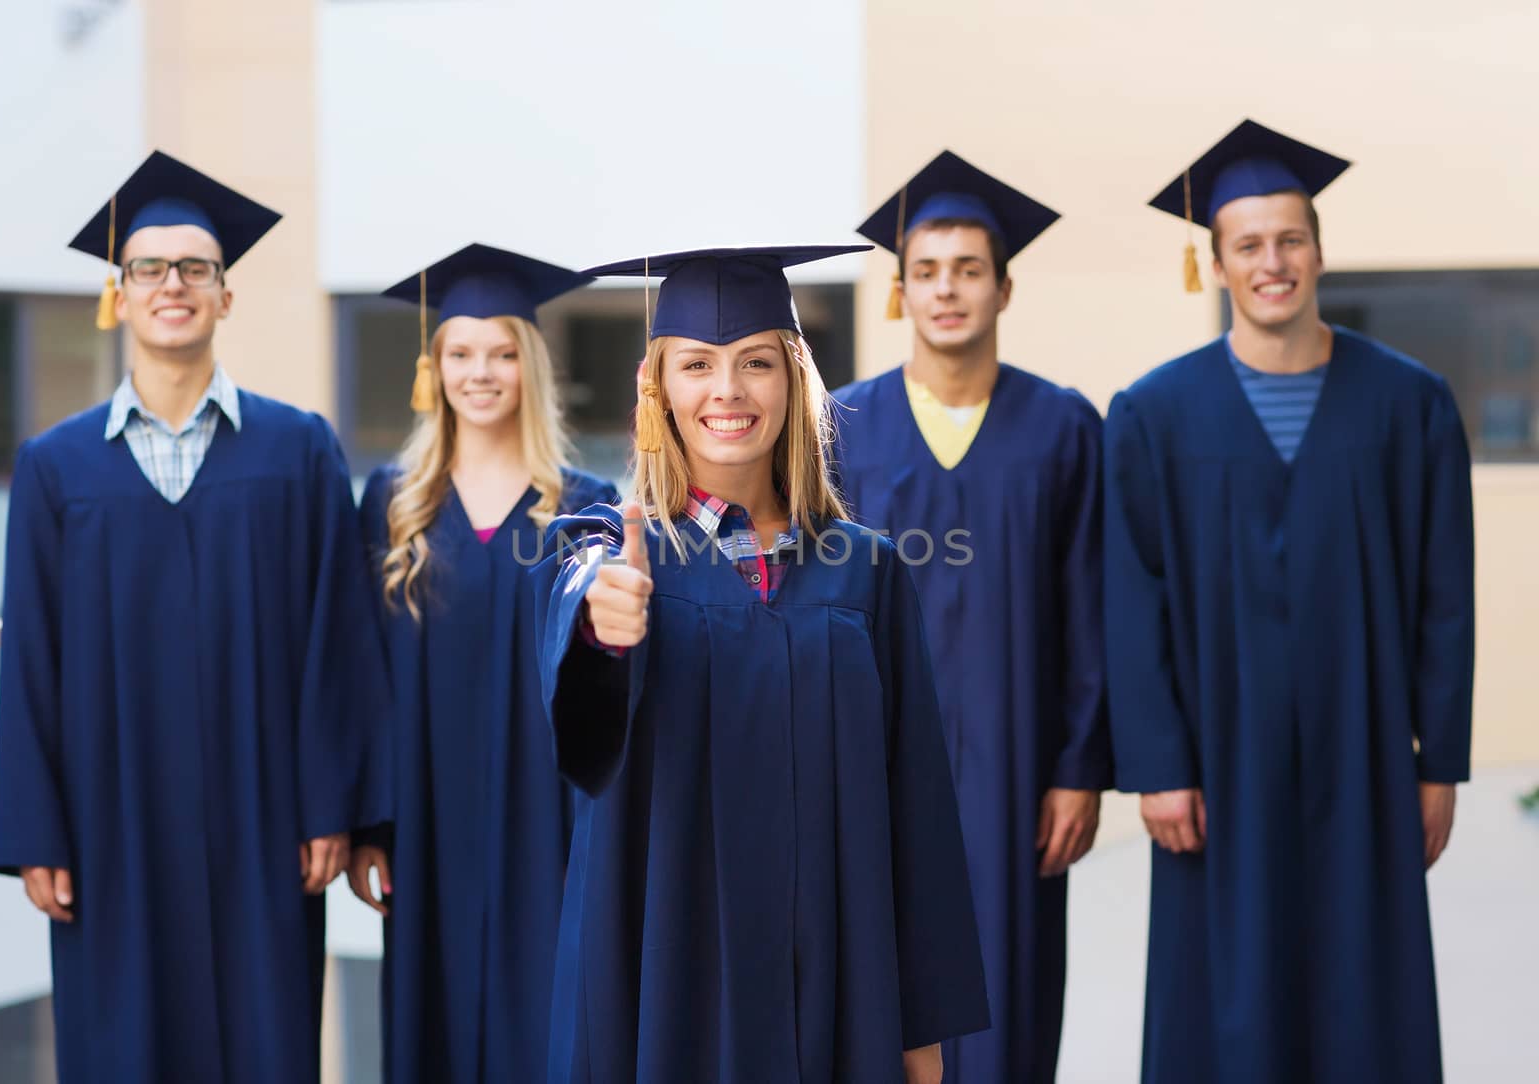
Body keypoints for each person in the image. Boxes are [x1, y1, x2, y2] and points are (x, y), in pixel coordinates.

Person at [0, 150, 389, 1084]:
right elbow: (31, 657)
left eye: (195, 268)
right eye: (151, 268)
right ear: (118, 296)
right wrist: (37, 828)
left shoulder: (298, 448)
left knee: (266, 1035)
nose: (173, 284)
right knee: (125, 1044)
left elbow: (339, 639)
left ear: (225, 296)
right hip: (108, 815)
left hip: (267, 812)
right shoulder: (57, 466)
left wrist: (332, 802)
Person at [532, 245, 990, 1084]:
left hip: (836, 986)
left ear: (795, 378)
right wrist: (605, 621)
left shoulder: (868, 569)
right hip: (667, 981)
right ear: (658, 388)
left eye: (755, 363)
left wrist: (921, 1037)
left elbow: (915, 809)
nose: (728, 392)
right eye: (697, 365)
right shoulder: (612, 550)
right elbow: (580, 658)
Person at [1106, 119, 1475, 1084]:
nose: (1274, 263)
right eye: (1249, 246)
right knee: (1226, 1000)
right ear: (1217, 264)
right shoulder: (1152, 414)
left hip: (1366, 746)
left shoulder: (1410, 403)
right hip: (1214, 761)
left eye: (1290, 240)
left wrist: (1439, 763)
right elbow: (1131, 596)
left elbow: (1444, 593)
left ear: (1319, 248)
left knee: (1367, 991)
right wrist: (1156, 764)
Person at [833, 150, 1109, 1084]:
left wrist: (1078, 769)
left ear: (1004, 285)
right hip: (870, 764)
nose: (947, 289)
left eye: (968, 269)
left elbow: (1089, 606)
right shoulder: (842, 429)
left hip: (1019, 771)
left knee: (1009, 1003)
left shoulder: (1064, 427)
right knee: (876, 996)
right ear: (899, 289)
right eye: (927, 271)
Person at [347, 242, 617, 1083]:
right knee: (435, 1014)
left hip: (551, 818)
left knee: (551, 1014)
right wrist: (370, 827)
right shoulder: (394, 502)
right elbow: (364, 679)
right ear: (434, 370)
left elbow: (607, 683)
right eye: (461, 354)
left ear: (529, 366)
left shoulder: (583, 506)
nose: (482, 373)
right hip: (428, 816)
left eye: (503, 353)